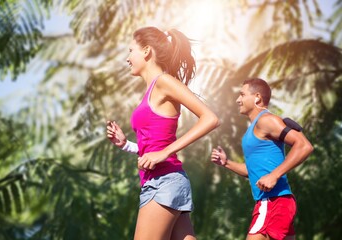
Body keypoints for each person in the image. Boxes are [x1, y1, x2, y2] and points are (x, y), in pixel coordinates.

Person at [107, 26, 220, 240]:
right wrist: (126, 145)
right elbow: (154, 144)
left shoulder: (164, 82)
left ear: (147, 51)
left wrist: (164, 153)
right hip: (162, 181)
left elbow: (210, 118)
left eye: (131, 51)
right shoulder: (152, 89)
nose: (128, 58)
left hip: (163, 182)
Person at [210, 78, 313, 240]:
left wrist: (274, 175)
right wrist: (227, 163)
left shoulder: (266, 120)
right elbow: (251, 171)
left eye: (242, 95)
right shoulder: (254, 129)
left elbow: (304, 146)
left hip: (273, 201)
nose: (238, 100)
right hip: (274, 202)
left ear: (257, 97)